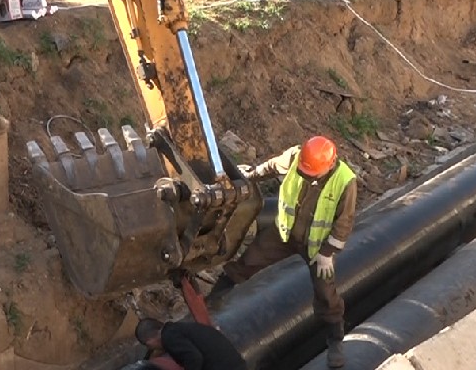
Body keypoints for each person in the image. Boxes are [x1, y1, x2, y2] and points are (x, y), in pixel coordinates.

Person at [212, 136, 357, 369]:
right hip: (285, 233)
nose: (307, 175)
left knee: (325, 292)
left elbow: (345, 221)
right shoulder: (296, 157)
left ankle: (335, 340)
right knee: (247, 262)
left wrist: (328, 252)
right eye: (305, 171)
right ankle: (213, 302)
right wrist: (250, 175)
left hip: (316, 246)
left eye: (312, 173)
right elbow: (271, 166)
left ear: (329, 165)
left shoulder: (345, 181)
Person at [134, 318, 246, 370]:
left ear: (149, 341)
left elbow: (194, 358)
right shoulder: (178, 329)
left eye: (149, 346)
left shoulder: (169, 337)